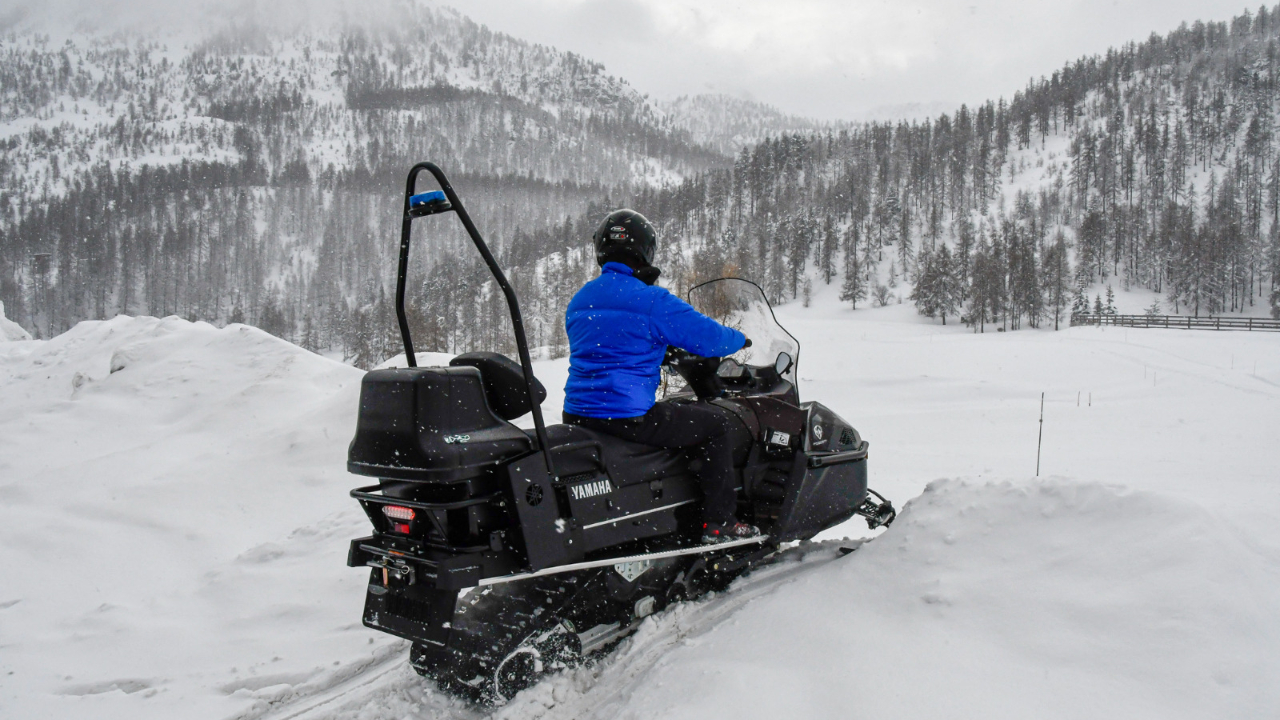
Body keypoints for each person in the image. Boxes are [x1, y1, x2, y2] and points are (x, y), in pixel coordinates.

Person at [561, 209, 760, 544]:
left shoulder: (582, 298)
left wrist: (659, 351)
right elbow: (708, 338)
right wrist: (739, 339)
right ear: (646, 250)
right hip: (626, 417)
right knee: (715, 426)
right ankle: (721, 524)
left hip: (579, 414)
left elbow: (609, 344)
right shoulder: (651, 300)